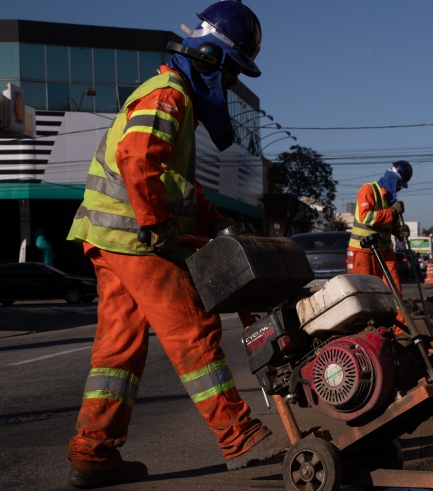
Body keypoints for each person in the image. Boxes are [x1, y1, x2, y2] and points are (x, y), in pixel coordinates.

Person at [64, 3, 284, 488]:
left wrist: (219, 223)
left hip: (108, 240)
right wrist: (155, 224)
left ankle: (93, 454)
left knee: (117, 353)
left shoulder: (171, 96)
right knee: (193, 330)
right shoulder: (170, 95)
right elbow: (135, 157)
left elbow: (175, 182)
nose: (227, 85)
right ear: (210, 57)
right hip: (135, 238)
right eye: (230, 73)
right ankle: (238, 436)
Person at [347, 161, 413, 327]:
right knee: (366, 295)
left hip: (384, 252)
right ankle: (367, 331)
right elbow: (366, 218)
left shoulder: (391, 201)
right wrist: (391, 212)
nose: (398, 189)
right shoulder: (368, 190)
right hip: (363, 252)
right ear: (393, 180)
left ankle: (401, 331)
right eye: (399, 185)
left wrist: (400, 231)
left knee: (395, 293)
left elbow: (391, 226)